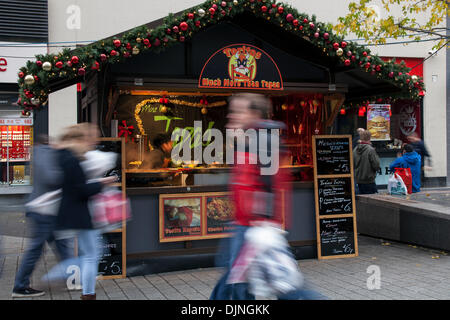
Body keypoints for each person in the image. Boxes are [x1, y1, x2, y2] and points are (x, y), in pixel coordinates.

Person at [210, 93, 324, 300]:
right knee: (233, 283)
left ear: (253, 113)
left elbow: (270, 187)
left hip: (253, 229)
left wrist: (262, 224)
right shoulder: (250, 141)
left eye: (237, 111)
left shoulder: (264, 142)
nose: (231, 116)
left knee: (280, 288)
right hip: (244, 226)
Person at [53, 124, 116, 300]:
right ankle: (75, 285)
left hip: (76, 213)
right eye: (87, 140)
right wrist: (103, 183)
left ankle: (87, 292)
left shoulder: (66, 156)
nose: (90, 143)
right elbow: (79, 190)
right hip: (79, 214)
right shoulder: (71, 159)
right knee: (92, 255)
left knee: (91, 253)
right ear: (78, 140)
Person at [11, 134, 73, 298]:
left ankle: (73, 278)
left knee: (61, 244)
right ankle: (20, 286)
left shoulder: (37, 152)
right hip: (44, 210)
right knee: (37, 249)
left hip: (45, 208)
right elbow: (51, 177)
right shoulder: (45, 152)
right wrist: (67, 174)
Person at [353, 130, 380, 194]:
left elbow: (352, 164)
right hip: (369, 180)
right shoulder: (370, 150)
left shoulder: (355, 149)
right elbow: (376, 165)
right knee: (373, 200)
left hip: (358, 180)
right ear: (369, 137)